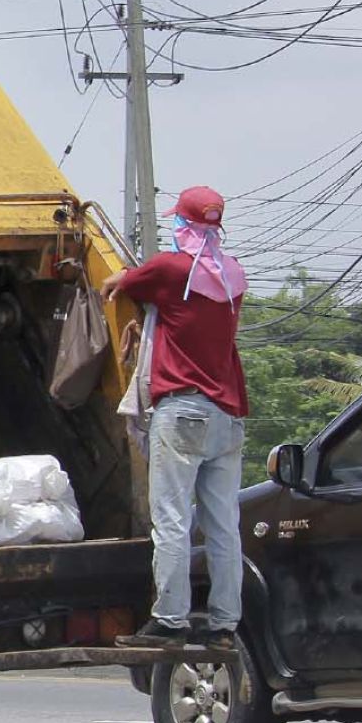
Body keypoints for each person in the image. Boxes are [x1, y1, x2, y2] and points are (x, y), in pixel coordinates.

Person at [102, 186, 249, 652]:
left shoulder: (170, 269)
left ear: (182, 224)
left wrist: (123, 281)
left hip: (183, 410)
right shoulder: (232, 278)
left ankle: (169, 619)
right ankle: (225, 625)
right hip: (228, 417)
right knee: (224, 525)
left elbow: (118, 283)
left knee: (170, 519)